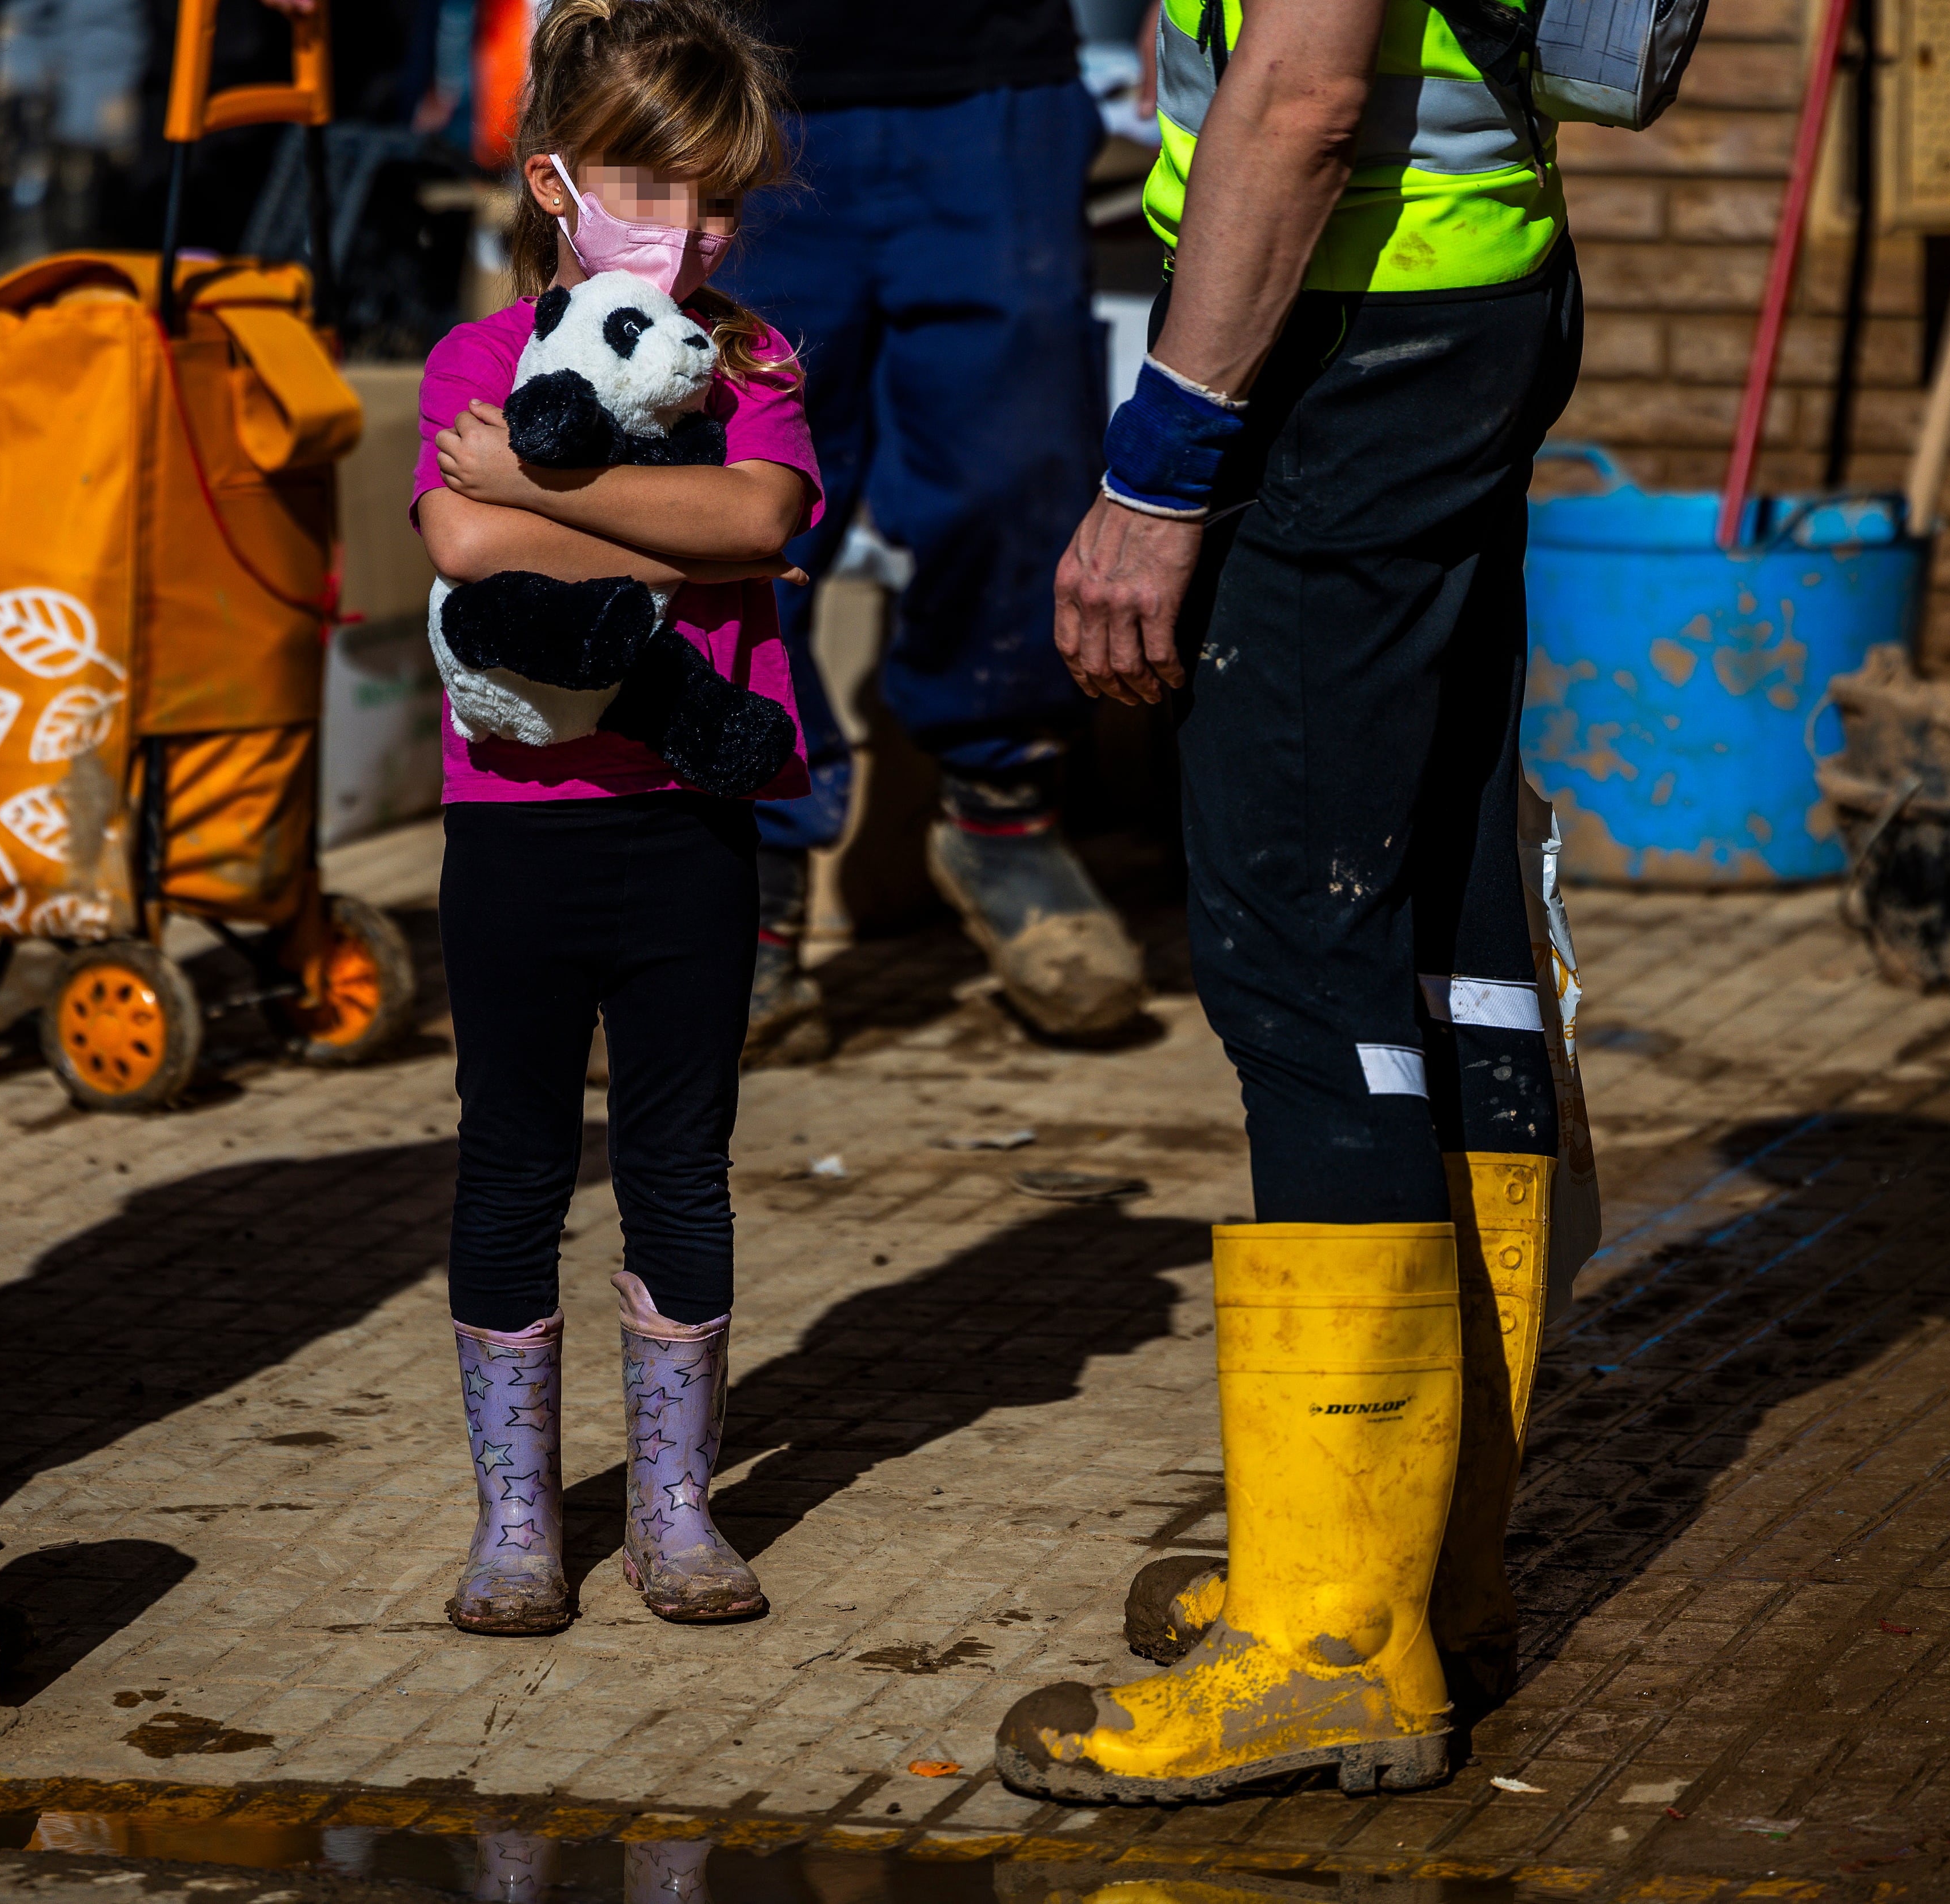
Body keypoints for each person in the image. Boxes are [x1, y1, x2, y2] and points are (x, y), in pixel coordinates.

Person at [992, 0, 1581, 1803]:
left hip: (1345, 335)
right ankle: (1428, 1571)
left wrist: (1159, 473)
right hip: (1464, 295)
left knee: (1307, 955)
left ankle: (1334, 1638)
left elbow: (1309, 89)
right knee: (1444, 951)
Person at [410, 0, 817, 1634]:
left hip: (690, 828)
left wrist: (527, 487)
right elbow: (461, 557)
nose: (689, 233)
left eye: (717, 200)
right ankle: (519, 1518)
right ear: (558, 181)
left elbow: (760, 517)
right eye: (652, 191)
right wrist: (641, 537)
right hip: (509, 827)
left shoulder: (756, 357)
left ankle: (673, 1509)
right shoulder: (470, 357)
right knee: (510, 1161)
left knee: (682, 1166)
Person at [716, 0, 1146, 1059]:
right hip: (735, 81)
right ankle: (745, 884)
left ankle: (1003, 813)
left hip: (990, 90)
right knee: (730, 497)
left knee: (1020, 475)